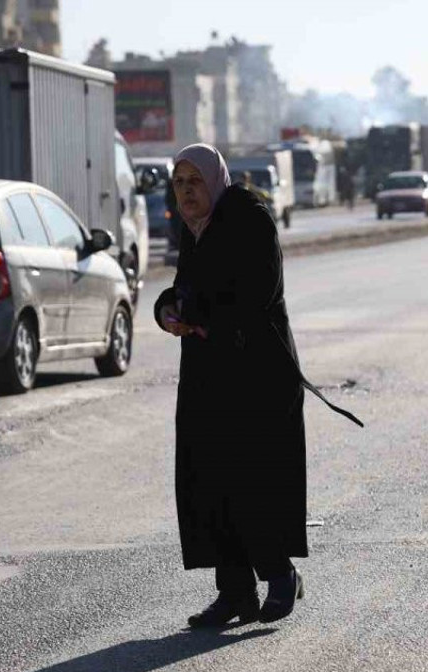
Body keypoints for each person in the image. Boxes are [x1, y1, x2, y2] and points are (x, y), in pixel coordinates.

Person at [155, 143, 362, 628]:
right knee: (210, 481)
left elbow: (259, 291)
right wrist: (167, 311)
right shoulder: (194, 230)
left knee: (253, 483)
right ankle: (234, 594)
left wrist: (199, 317)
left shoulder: (249, 219)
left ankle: (280, 574)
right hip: (210, 376)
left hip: (258, 376)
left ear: (216, 180)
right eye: (179, 183)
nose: (186, 192)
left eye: (195, 181)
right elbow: (184, 288)